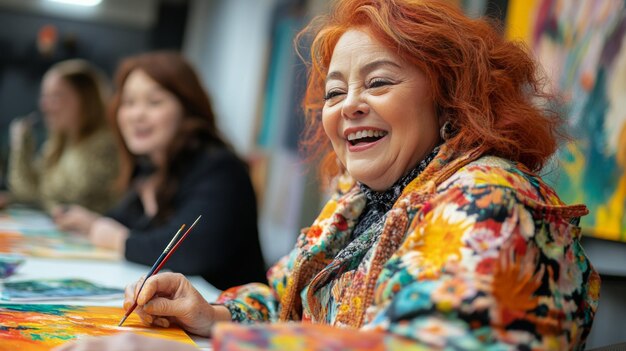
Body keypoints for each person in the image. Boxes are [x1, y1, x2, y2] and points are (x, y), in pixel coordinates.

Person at [54, 1, 600, 350]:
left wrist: (226, 345)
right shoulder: (359, 199)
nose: (349, 106)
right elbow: (282, 298)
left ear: (451, 99)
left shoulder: (491, 198)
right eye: (336, 92)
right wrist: (213, 313)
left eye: (379, 83)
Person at [51, 52, 266, 290]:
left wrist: (118, 240)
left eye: (154, 102)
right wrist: (92, 223)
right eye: (129, 102)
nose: (136, 114)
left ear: (187, 109)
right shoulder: (151, 170)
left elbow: (189, 250)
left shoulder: (220, 167)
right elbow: (122, 221)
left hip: (230, 320)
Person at [6, 59, 119, 213]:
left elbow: (68, 202)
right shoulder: (58, 144)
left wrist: (19, 199)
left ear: (86, 99)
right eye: (44, 96)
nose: (44, 106)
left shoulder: (104, 145)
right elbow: (27, 191)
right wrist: (21, 148)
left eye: (55, 96)